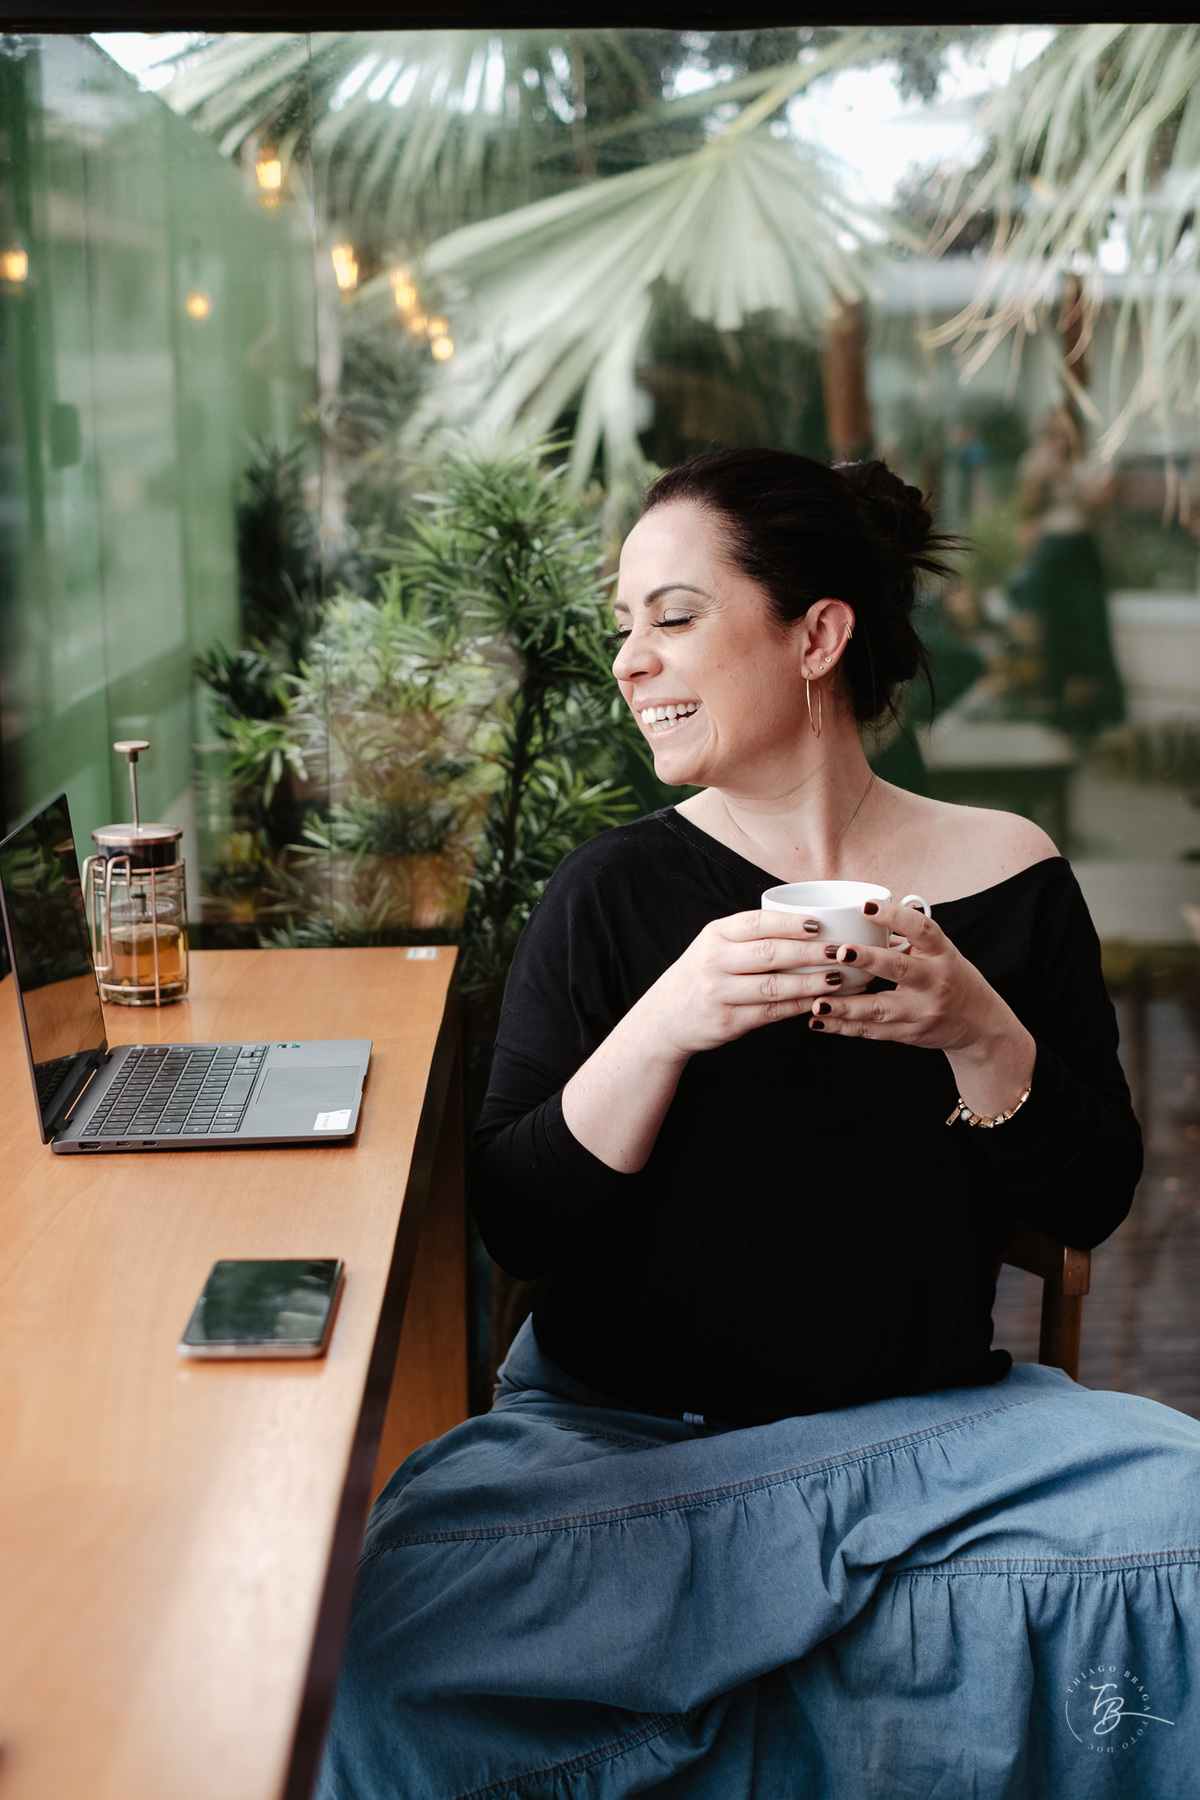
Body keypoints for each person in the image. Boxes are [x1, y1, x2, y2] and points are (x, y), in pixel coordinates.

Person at [317, 450, 1200, 1800]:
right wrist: (666, 1023)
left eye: (670, 616)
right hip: (626, 1445)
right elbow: (522, 1223)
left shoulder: (1012, 881)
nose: (629, 660)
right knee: (397, 1627)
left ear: (817, 634)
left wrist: (976, 1026)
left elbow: (1088, 1203)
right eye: (625, 627)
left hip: (940, 1444)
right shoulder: (615, 893)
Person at [1009, 407, 1125, 736]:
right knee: (1053, 632)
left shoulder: (1092, 464)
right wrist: (1040, 478)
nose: (1059, 439)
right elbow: (1025, 509)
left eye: (1065, 433)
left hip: (1080, 549)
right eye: (1053, 432)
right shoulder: (1035, 460)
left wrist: (1068, 477)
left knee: (1089, 633)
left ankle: (1095, 716)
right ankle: (1060, 713)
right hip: (1051, 552)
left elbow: (1097, 510)